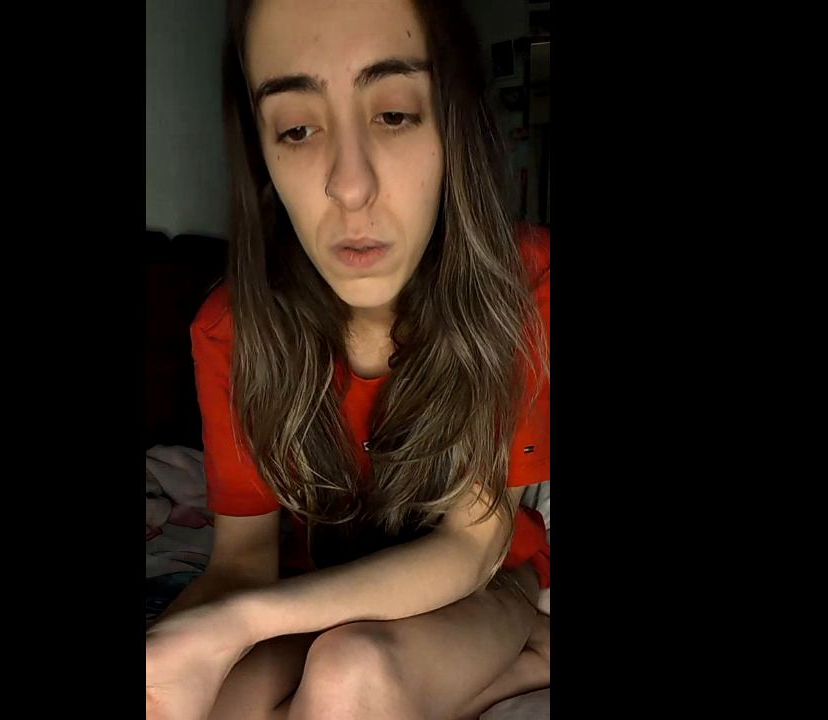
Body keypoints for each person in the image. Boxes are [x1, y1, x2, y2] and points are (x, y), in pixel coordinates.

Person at [146, 1, 550, 718]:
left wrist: (236, 626)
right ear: (262, 156)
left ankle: (523, 651)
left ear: (453, 124)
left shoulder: (522, 284)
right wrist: (179, 648)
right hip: (316, 590)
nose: (350, 186)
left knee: (349, 671)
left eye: (394, 114)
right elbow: (244, 563)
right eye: (297, 130)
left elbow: (475, 545)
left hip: (489, 581)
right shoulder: (233, 331)